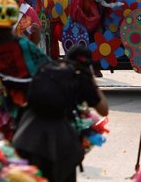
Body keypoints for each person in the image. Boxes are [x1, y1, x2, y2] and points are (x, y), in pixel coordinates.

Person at [13, 45, 108, 182]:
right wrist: (91, 79)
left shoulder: (47, 68)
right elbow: (104, 109)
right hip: (58, 144)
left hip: (25, 136)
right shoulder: (80, 77)